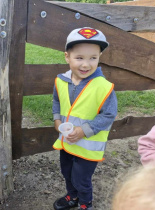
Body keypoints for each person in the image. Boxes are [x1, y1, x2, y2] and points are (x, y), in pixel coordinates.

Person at [52, 27, 117, 210]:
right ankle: (72, 197)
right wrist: (57, 120)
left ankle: (84, 203)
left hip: (88, 147)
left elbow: (109, 114)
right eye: (79, 58)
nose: (86, 64)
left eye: (93, 58)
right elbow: (57, 101)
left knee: (81, 178)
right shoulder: (61, 81)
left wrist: (84, 131)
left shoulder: (103, 87)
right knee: (67, 172)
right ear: (67, 57)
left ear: (99, 57)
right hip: (67, 141)